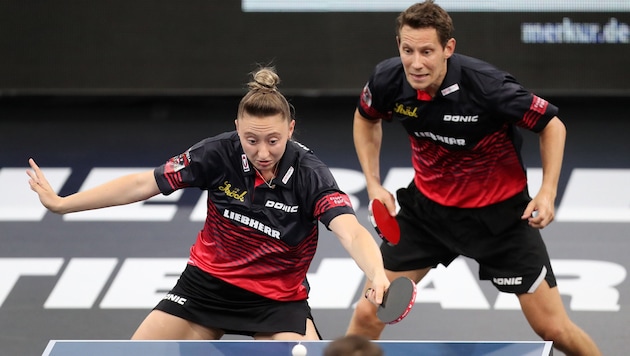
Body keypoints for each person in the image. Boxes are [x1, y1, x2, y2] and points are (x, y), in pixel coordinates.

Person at [26, 66, 390, 341]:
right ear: (236, 128)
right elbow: (143, 183)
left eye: (273, 140)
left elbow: (351, 232)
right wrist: (62, 204)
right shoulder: (216, 154)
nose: (262, 152)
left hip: (276, 302)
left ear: (291, 129)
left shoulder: (311, 175)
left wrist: (375, 272)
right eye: (251, 139)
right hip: (205, 287)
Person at [345, 2, 601, 355]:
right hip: (428, 213)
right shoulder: (389, 80)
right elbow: (365, 117)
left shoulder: (487, 87)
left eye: (427, 51)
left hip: (500, 218)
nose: (416, 63)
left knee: (554, 329)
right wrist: (373, 182)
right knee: (367, 313)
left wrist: (547, 191)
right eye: (407, 50)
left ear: (448, 48)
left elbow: (552, 125)